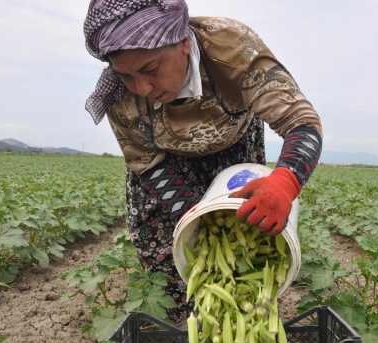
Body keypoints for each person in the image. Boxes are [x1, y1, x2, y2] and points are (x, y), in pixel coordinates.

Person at [83, 0, 323, 324]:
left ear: (183, 43)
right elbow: (150, 163)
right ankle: (187, 329)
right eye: (126, 75)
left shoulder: (232, 49)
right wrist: (194, 218)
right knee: (173, 256)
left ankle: (242, 322)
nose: (142, 87)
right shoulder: (119, 97)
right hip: (167, 161)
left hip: (231, 150)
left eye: (150, 70)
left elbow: (301, 122)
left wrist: (285, 182)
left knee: (247, 243)